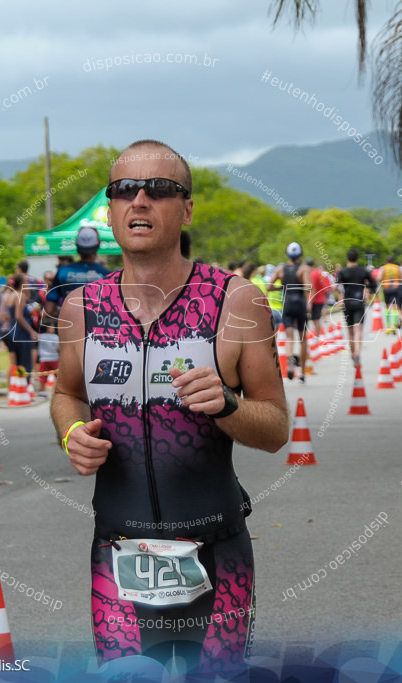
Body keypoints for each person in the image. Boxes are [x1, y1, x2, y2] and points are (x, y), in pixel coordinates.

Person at [50, 139, 289, 674]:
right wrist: (72, 436)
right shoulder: (81, 308)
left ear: (185, 209)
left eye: (159, 189)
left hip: (216, 550)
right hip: (118, 552)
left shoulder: (236, 301)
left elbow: (275, 428)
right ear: (110, 210)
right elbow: (66, 393)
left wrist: (227, 405)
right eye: (123, 190)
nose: (139, 200)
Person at [44, 226, 111, 323]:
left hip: (70, 332)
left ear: (76, 245)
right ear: (98, 244)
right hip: (97, 332)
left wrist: (70, 316)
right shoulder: (107, 275)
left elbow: (49, 310)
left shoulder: (62, 272)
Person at [270, 243, 311, 380]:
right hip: (300, 304)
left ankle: (290, 357)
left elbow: (269, 286)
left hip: (287, 304)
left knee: (288, 337)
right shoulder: (303, 269)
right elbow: (308, 286)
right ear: (300, 254)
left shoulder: (280, 269)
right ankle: (303, 372)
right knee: (303, 339)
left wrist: (282, 287)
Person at [336, 248, 377, 366]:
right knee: (358, 329)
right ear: (357, 258)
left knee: (350, 332)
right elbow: (374, 284)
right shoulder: (363, 271)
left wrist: (339, 298)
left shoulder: (343, 272)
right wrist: (368, 291)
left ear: (347, 258)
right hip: (359, 301)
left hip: (347, 303)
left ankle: (353, 353)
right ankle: (357, 353)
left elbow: (336, 286)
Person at [308, 258, 331, 340]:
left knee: (315, 318)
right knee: (315, 318)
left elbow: (313, 288)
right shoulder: (319, 273)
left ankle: (318, 336)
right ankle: (317, 335)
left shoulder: (313, 273)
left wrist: (310, 301)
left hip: (316, 299)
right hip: (321, 297)